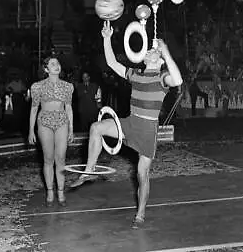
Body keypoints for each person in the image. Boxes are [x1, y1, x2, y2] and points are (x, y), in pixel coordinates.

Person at [69, 21, 182, 228]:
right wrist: (106, 38)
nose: (149, 51)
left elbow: (178, 78)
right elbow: (112, 63)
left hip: (147, 130)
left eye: (153, 51)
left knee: (142, 174)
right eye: (149, 50)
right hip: (129, 122)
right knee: (96, 128)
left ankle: (140, 214)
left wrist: (165, 50)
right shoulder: (136, 74)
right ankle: (88, 171)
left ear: (160, 60)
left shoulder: (162, 77)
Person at [28, 56, 74, 206]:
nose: (57, 66)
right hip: (44, 122)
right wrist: (31, 130)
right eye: (52, 64)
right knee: (48, 158)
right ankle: (49, 191)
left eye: (58, 63)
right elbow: (34, 108)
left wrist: (71, 129)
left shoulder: (68, 86)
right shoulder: (37, 87)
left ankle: (61, 192)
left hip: (62, 121)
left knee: (60, 158)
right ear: (46, 69)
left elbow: (68, 107)